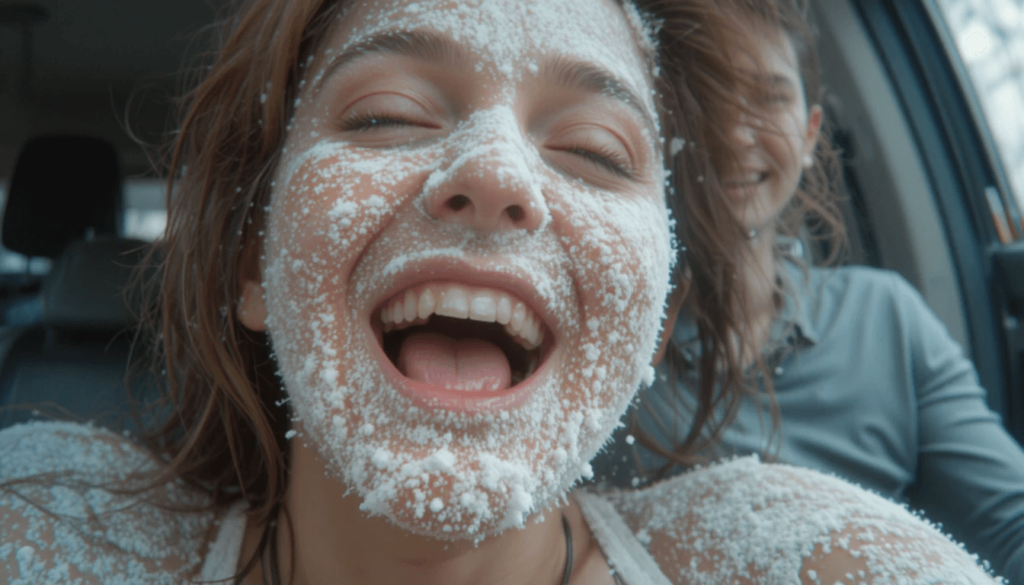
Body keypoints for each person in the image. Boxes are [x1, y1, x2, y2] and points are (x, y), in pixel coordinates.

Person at [0, 0, 1004, 583]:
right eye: (388, 115)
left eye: (593, 152)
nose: (499, 176)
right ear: (251, 261)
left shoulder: (816, 561)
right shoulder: (44, 530)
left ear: (648, 308)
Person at [592, 0, 1024, 580]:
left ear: (809, 131)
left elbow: (1009, 524)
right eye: (706, 97)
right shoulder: (599, 340)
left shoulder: (887, 320)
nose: (736, 133)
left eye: (769, 97)